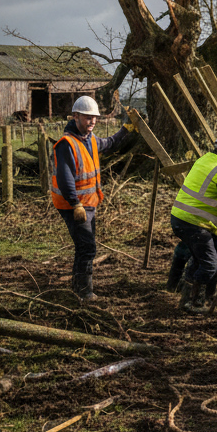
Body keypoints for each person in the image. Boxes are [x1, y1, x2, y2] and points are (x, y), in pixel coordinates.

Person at [50, 94, 136, 302]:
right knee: (87, 247)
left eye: (95, 118)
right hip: (74, 205)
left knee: (84, 246)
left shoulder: (91, 139)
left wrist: (126, 129)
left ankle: (77, 286)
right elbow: (65, 178)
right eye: (88, 117)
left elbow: (110, 144)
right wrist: (75, 204)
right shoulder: (66, 144)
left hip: (88, 203)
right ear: (76, 117)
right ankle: (84, 292)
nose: (92, 121)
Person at [169, 129, 217, 312]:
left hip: (184, 218)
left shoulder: (206, 160)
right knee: (209, 264)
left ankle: (209, 294)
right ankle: (192, 301)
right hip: (194, 222)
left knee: (214, 255)